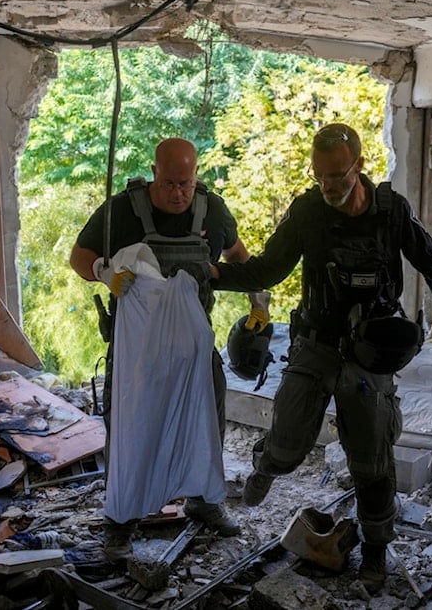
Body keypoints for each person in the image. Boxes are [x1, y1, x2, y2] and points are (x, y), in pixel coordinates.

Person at [206, 123, 432, 593]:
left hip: (371, 351)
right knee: (288, 447)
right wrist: (210, 274)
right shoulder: (309, 212)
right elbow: (268, 267)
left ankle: (374, 552)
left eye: (337, 175)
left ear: (359, 165)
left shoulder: (391, 212)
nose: (328, 186)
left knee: (371, 462)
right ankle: (267, 466)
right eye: (320, 177)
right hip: (316, 343)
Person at [70, 137, 268, 564]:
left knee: (207, 423)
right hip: (138, 353)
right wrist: (104, 272)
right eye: (170, 183)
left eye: (187, 183)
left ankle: (203, 501)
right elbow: (78, 256)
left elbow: (237, 255)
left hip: (194, 348)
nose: (179, 193)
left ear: (196, 176)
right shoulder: (123, 210)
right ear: (155, 172)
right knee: (131, 432)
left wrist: (258, 302)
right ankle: (121, 523)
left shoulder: (211, 211)